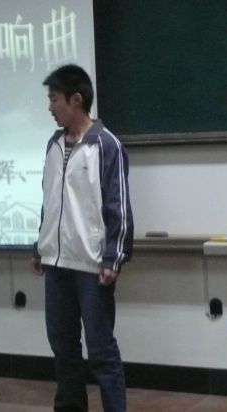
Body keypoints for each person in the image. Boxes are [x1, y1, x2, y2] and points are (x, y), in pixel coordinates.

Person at [30, 65, 134, 412]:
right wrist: (40, 247)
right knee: (63, 347)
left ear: (76, 100)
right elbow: (50, 201)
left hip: (92, 265)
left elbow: (118, 206)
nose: (50, 107)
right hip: (56, 263)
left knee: (101, 351)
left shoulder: (106, 144)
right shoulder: (54, 144)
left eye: (54, 99)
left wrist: (113, 258)